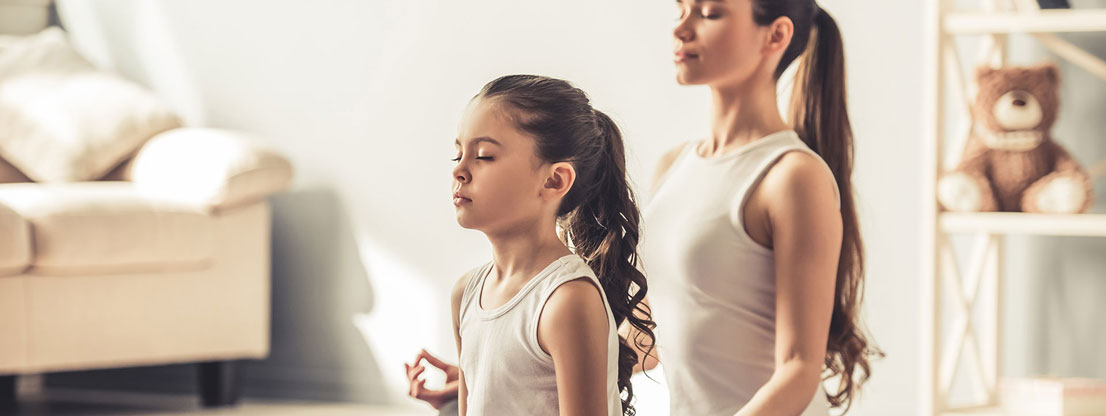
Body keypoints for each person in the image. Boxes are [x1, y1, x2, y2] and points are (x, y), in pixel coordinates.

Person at [630, 0, 881, 414]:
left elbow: (799, 368)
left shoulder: (792, 176)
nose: (681, 29)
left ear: (776, 35)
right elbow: (654, 337)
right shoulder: (672, 166)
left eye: (709, 13)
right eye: (681, 10)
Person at [415, 75, 656, 416]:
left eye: (483, 156)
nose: (460, 171)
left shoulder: (567, 300)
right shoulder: (465, 294)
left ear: (554, 180)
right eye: (458, 155)